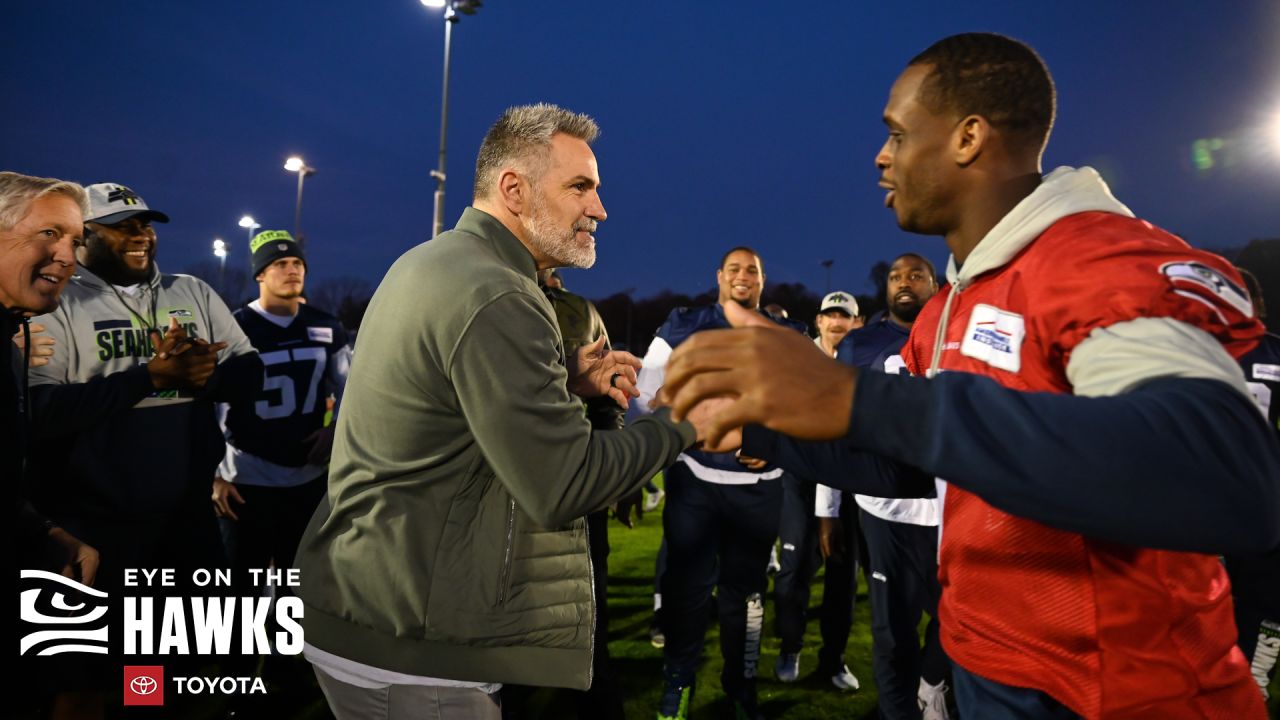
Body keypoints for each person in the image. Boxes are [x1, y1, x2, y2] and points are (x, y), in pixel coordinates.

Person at [658, 33, 1278, 718]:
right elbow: (908, 467)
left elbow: (1225, 472)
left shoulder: (1097, 258)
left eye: (896, 133)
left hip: (1115, 692)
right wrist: (761, 433)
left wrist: (856, 397)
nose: (881, 154)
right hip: (987, 662)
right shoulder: (952, 303)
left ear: (968, 138)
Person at [293, 104, 707, 720]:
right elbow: (565, 484)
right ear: (513, 189)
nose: (599, 210)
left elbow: (445, 410)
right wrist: (683, 417)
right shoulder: (499, 291)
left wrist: (566, 385)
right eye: (580, 187)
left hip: (376, 602)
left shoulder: (437, 261)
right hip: (415, 639)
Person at [628, 246, 803, 720]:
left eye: (753, 269)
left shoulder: (788, 334)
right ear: (719, 277)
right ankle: (678, 682)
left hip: (758, 485)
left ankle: (740, 686)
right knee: (687, 592)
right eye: (735, 269)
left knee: (744, 598)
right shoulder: (685, 323)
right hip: (697, 482)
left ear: (763, 280)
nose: (743, 276)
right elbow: (644, 398)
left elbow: (808, 409)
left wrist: (774, 440)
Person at [820, 254, 952, 719]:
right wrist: (827, 509)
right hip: (883, 509)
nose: (904, 282)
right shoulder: (859, 345)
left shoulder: (955, 332)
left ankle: (933, 684)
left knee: (957, 623)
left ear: (936, 284)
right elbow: (838, 429)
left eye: (916, 275)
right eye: (896, 276)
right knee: (891, 632)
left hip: (949, 510)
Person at [772, 289, 862, 691]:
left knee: (842, 577)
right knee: (794, 571)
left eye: (845, 316)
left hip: (851, 483)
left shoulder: (866, 362)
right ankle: (790, 647)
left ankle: (834, 659)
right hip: (802, 480)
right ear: (819, 321)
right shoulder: (797, 360)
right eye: (831, 315)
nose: (838, 322)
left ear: (856, 323)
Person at [1223, 266, 1280, 700]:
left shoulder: (1178, 351)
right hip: (1264, 515)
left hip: (1200, 515)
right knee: (1263, 612)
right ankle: (1250, 691)